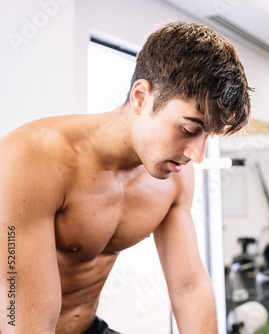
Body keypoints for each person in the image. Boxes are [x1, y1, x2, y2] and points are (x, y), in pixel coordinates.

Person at [0, 21, 251, 334]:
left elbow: (188, 288)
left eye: (207, 137)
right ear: (141, 97)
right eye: (189, 129)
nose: (196, 156)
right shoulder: (32, 157)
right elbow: (21, 313)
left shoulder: (175, 176)